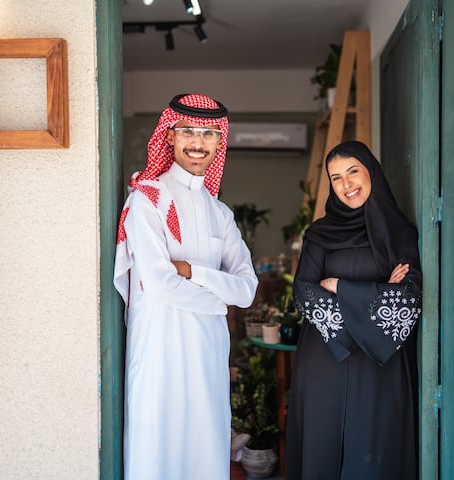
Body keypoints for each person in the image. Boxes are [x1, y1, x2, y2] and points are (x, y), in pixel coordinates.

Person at [113, 93, 259, 480]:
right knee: (157, 448)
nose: (198, 142)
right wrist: (217, 300)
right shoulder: (147, 201)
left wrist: (194, 272)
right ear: (171, 137)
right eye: (189, 131)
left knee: (205, 449)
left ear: (219, 142)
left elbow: (246, 291)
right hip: (160, 349)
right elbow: (158, 286)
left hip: (208, 353)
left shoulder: (221, 214)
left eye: (209, 133)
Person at [286, 140, 422, 480]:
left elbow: (407, 299)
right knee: (322, 445)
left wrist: (340, 287)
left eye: (352, 172)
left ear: (370, 172)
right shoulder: (319, 234)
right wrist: (375, 296)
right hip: (327, 355)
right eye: (335, 178)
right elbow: (303, 291)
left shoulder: (400, 233)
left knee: (372, 452)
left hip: (380, 364)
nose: (346, 185)